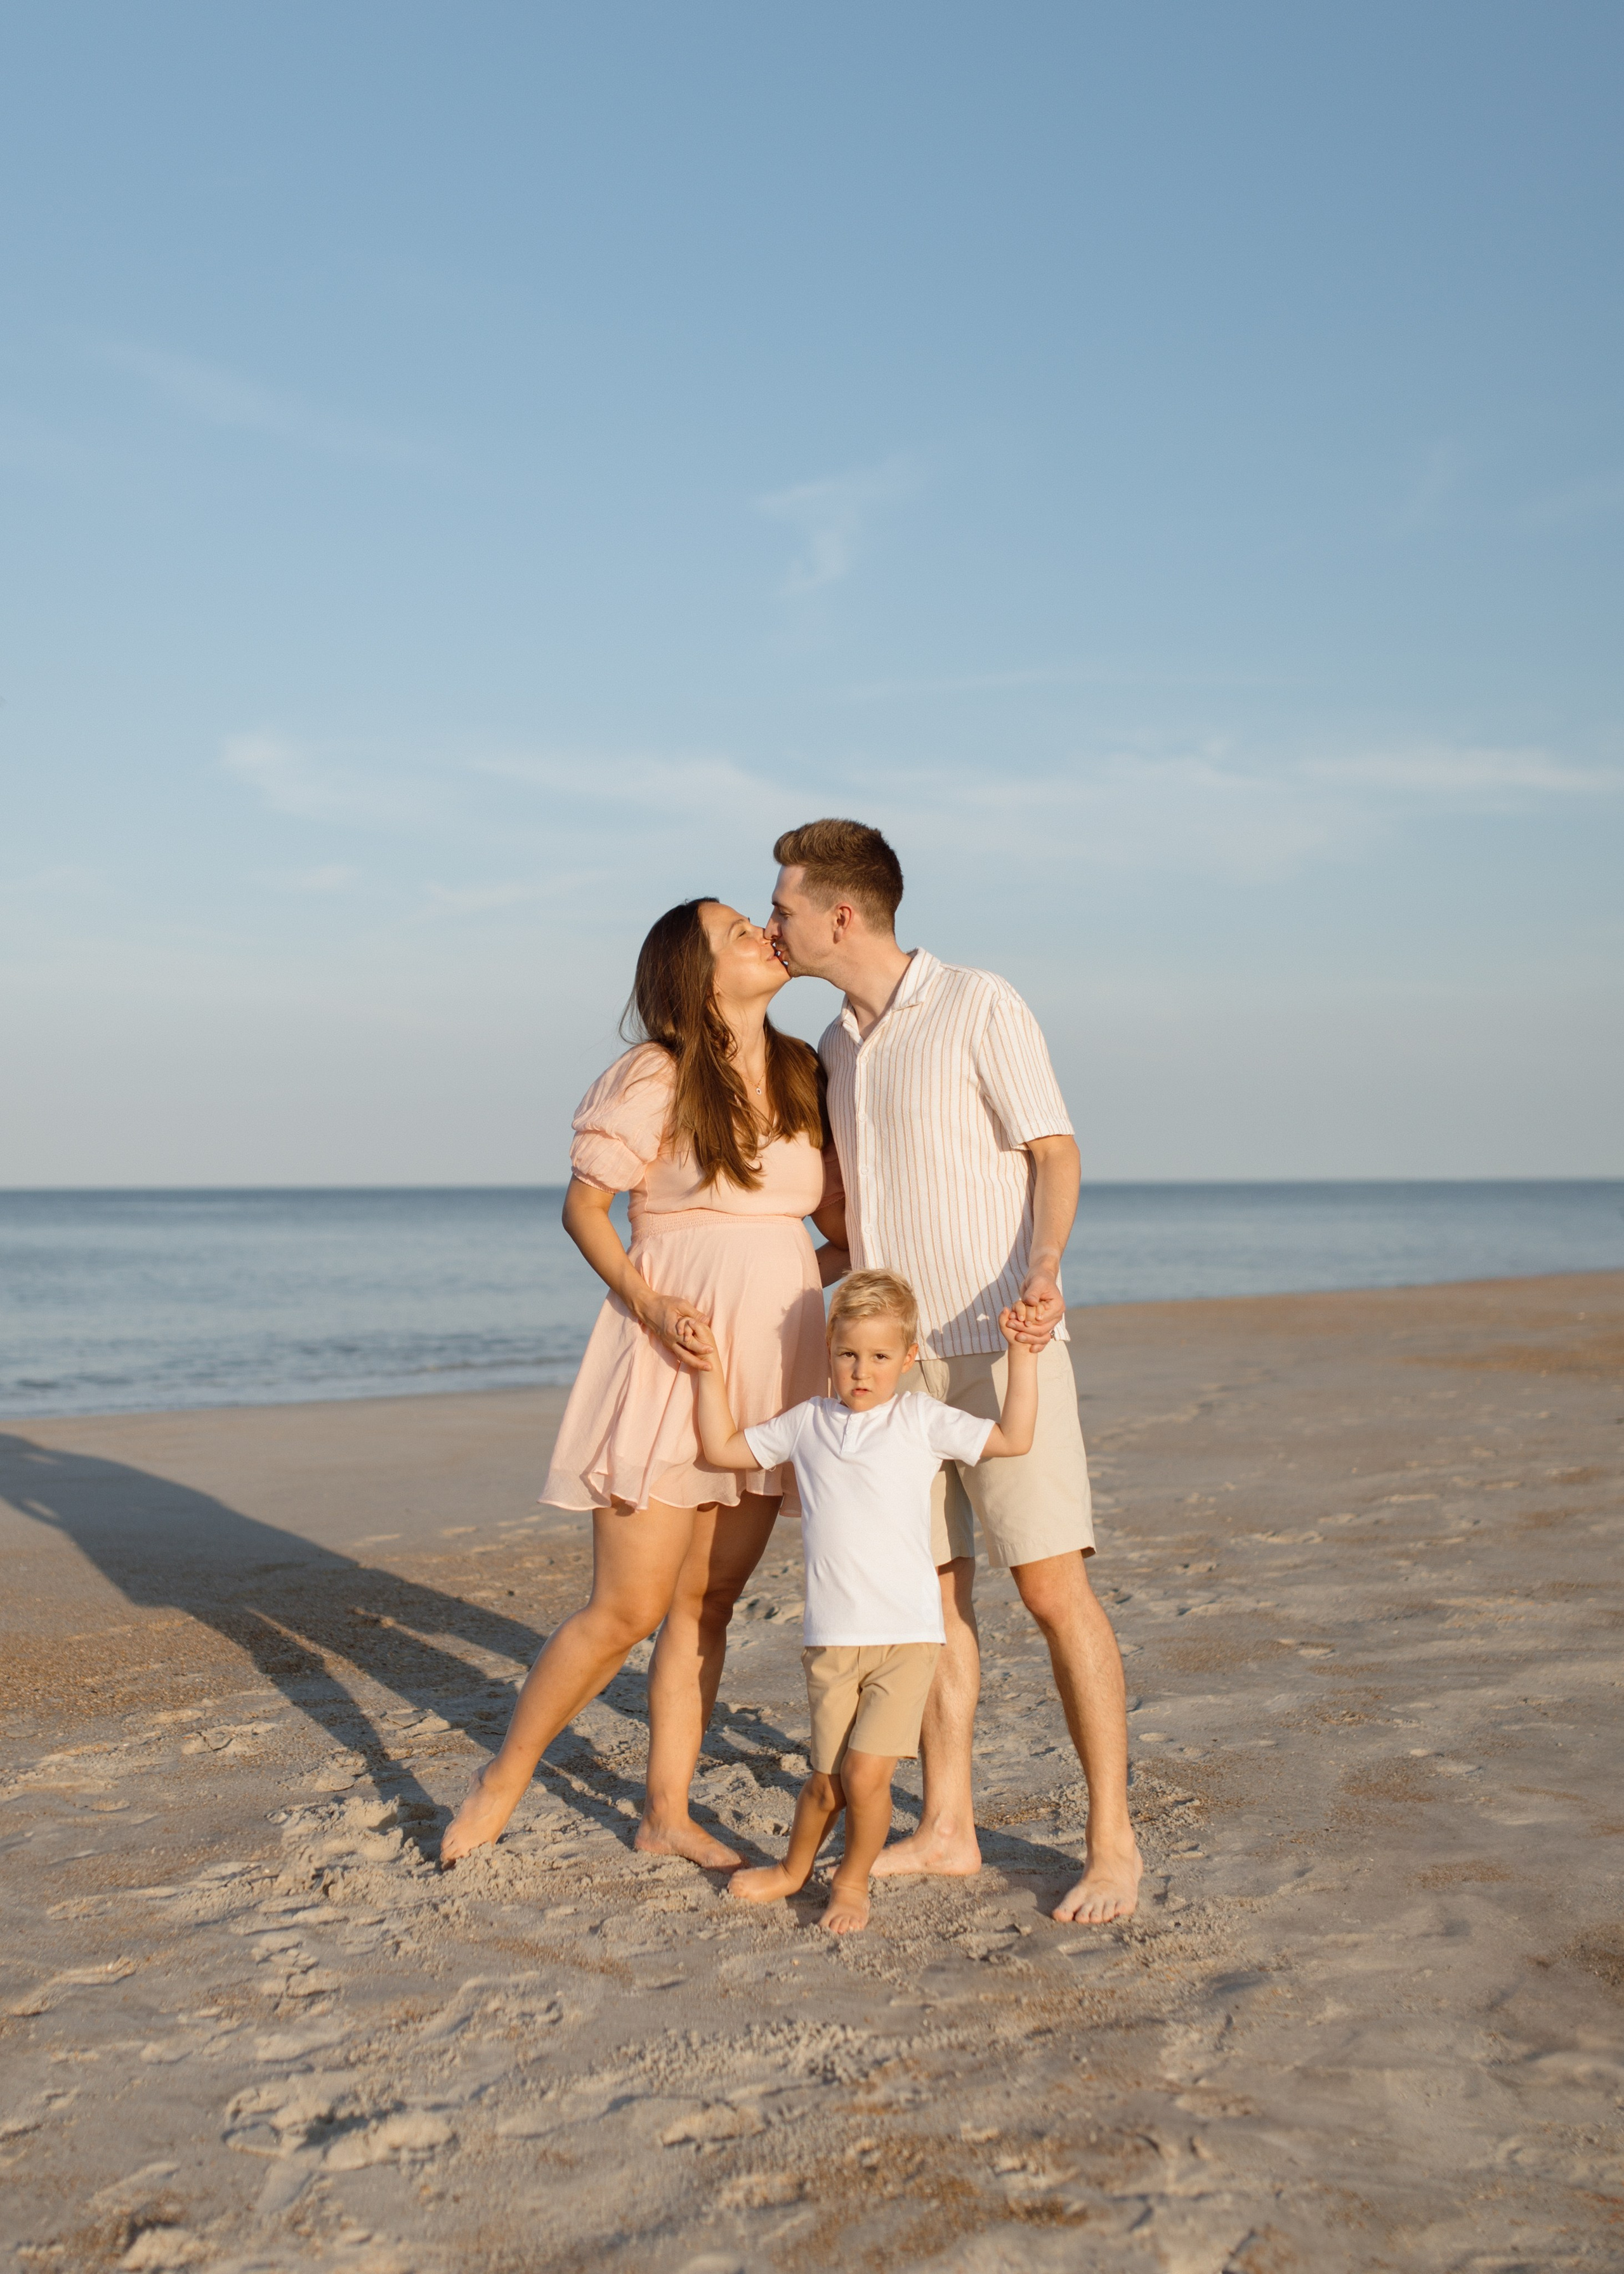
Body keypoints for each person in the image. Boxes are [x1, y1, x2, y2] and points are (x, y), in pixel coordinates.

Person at [765, 818, 1143, 1926]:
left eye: (783, 904)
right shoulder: (834, 1043)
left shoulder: (982, 1000)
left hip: (1002, 1343)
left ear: (842, 913)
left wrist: (1045, 1268)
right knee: (929, 1599)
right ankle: (950, 1826)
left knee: (1051, 1584)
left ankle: (1112, 1841)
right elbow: (849, 1225)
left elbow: (1054, 1150)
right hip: (892, 1368)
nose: (771, 921)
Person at [440, 898, 847, 1869]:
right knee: (625, 1608)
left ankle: (665, 1816)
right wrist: (655, 1304)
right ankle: (503, 1779)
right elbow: (585, 1210)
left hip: (773, 1364)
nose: (760, 932)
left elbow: (835, 1228)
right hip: (671, 1354)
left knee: (709, 1608)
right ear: (695, 972)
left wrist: (791, 1283)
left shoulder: (803, 1072)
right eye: (735, 930)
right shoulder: (654, 1074)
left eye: (759, 919)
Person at [686, 1268, 1037, 1932]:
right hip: (830, 1638)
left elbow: (1012, 1438)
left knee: (867, 1777)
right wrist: (708, 1370)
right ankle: (793, 1870)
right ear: (830, 1349)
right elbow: (721, 1447)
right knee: (825, 1781)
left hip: (906, 1639)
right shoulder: (808, 1423)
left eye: (879, 1356)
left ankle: (851, 1883)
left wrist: (1022, 1355)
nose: (861, 1370)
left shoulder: (920, 1418)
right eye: (848, 1354)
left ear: (907, 1359)